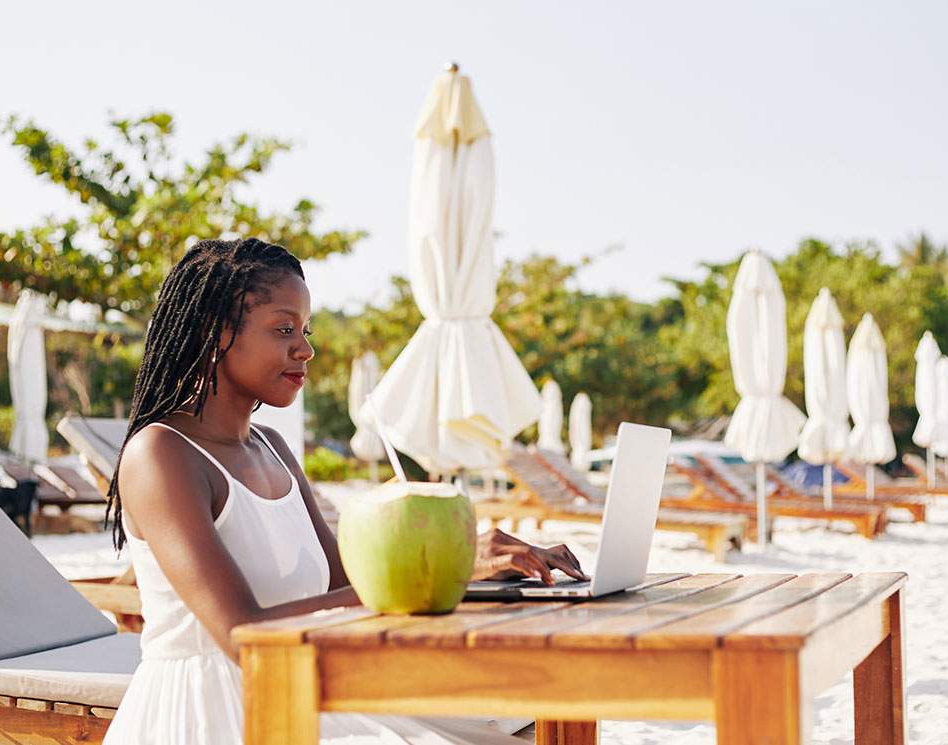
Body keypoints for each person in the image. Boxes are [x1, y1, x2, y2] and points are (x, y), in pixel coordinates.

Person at [101, 238, 587, 744]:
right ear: (215, 332)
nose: (306, 349)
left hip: (307, 687)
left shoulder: (271, 447)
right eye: (284, 329)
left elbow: (349, 583)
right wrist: (450, 571)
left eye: (306, 331)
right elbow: (241, 635)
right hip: (219, 712)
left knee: (528, 718)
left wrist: (471, 566)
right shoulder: (161, 454)